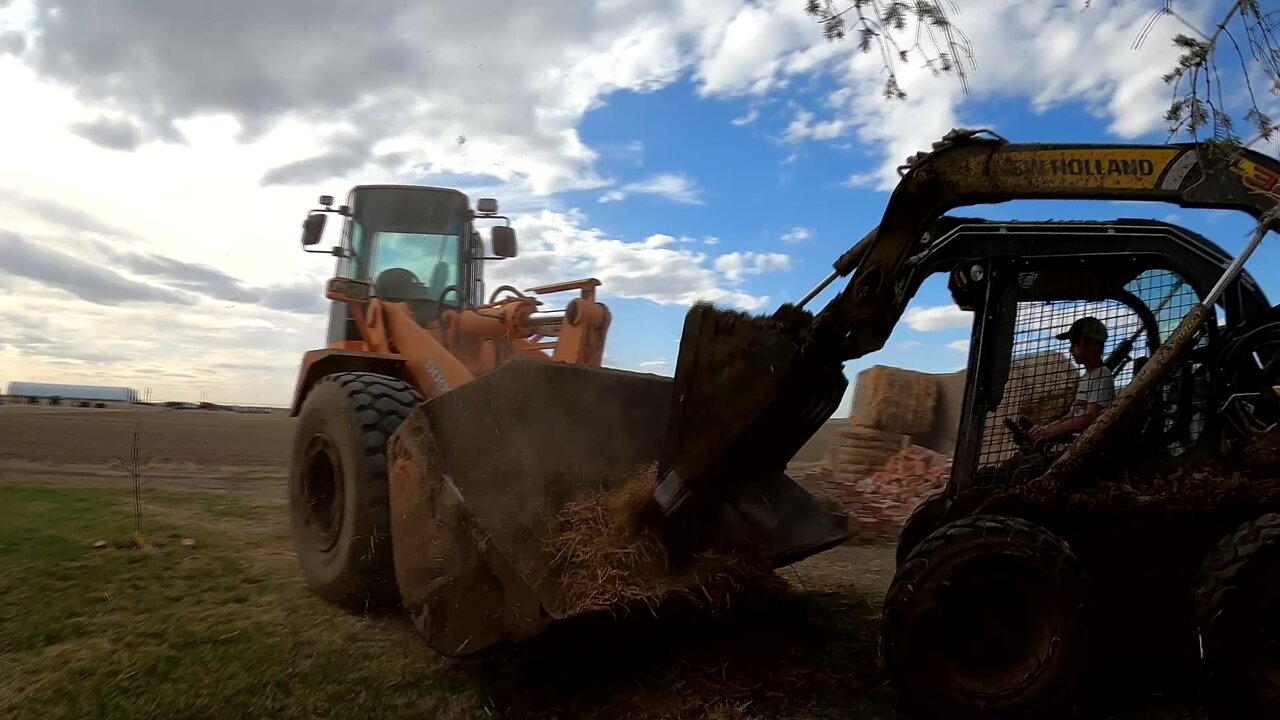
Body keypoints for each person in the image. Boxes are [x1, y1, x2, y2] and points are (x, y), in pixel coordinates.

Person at [1028, 316, 1116, 446]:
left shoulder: (1102, 375)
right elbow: (1073, 415)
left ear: (1094, 345)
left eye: (1075, 344)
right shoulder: (1087, 376)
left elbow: (1090, 417)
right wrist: (1045, 429)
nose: (1070, 350)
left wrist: (1052, 432)